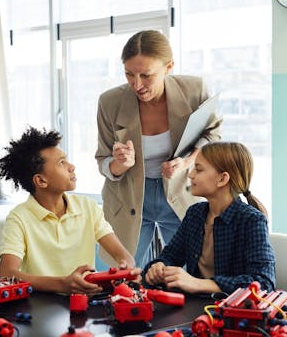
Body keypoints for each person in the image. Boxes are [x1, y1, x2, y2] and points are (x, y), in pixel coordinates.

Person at [95, 30, 222, 267]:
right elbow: (103, 159)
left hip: (182, 192)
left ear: (169, 66)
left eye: (146, 75)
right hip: (128, 198)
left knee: (191, 271)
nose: (137, 84)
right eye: (129, 74)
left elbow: (213, 133)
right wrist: (119, 165)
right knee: (123, 278)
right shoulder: (109, 102)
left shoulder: (194, 90)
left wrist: (187, 162)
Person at [0, 127, 137, 295]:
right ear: (41, 180)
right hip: (41, 305)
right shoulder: (19, 218)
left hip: (85, 301)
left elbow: (123, 256)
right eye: (62, 162)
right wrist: (63, 284)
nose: (72, 166)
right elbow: (6, 275)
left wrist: (125, 267)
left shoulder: (88, 207)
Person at [142, 141, 275, 294]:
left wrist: (198, 284)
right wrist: (158, 266)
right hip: (195, 307)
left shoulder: (252, 221)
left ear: (222, 179)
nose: (190, 174)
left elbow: (264, 282)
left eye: (198, 169)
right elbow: (170, 255)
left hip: (230, 312)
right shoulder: (195, 214)